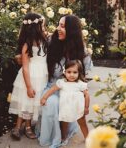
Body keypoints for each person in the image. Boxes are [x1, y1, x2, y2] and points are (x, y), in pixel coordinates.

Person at [37, 15, 93, 148]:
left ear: (72, 30)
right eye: (58, 25)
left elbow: (83, 77)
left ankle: (65, 134)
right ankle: (54, 137)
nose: (58, 29)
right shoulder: (52, 43)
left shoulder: (82, 52)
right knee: (52, 103)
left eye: (62, 26)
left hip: (71, 90)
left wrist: (84, 103)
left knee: (68, 105)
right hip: (54, 86)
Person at [8, 13, 49, 140]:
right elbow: (25, 67)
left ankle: (24, 127)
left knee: (31, 103)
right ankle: (21, 127)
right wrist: (29, 86)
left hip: (42, 76)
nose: (44, 28)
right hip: (30, 76)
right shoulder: (27, 45)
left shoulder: (44, 41)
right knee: (26, 102)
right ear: (36, 28)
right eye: (42, 25)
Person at [41, 59, 90, 145]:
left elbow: (87, 96)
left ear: (79, 73)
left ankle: (87, 137)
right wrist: (44, 97)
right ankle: (64, 137)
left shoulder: (80, 84)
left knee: (82, 123)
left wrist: (86, 107)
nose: (71, 75)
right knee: (64, 124)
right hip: (65, 108)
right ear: (64, 72)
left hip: (78, 108)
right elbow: (52, 90)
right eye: (69, 72)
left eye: (75, 72)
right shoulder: (61, 82)